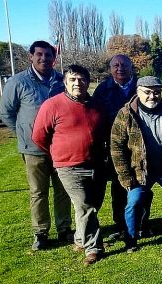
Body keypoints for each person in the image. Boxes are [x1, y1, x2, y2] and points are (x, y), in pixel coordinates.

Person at [0, 40, 71, 251]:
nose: (44, 58)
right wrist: (23, 135)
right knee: (38, 192)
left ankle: (64, 228)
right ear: (31, 57)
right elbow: (6, 113)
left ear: (53, 58)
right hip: (33, 150)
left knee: (62, 190)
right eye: (39, 54)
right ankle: (41, 232)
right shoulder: (18, 81)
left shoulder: (61, 80)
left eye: (48, 55)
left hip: (60, 147)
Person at [32, 64, 107, 265]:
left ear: (88, 82)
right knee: (86, 206)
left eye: (81, 79)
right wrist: (59, 154)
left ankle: (80, 239)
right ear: (65, 82)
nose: (77, 83)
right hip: (69, 167)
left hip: (97, 165)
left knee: (93, 205)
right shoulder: (52, 105)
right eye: (72, 79)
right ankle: (94, 248)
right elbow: (39, 136)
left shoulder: (96, 105)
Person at [110, 76, 162, 252]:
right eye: (147, 92)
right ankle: (131, 239)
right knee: (134, 201)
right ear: (138, 92)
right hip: (140, 171)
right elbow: (116, 147)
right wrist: (125, 176)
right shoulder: (126, 114)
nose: (152, 96)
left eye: (156, 92)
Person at [93, 54, 150, 242]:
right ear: (110, 69)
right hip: (114, 148)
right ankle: (120, 225)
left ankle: (141, 224)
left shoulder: (142, 87)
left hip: (141, 147)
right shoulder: (103, 90)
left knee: (143, 186)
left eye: (124, 65)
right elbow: (96, 118)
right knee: (119, 188)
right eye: (115, 65)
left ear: (131, 67)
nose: (120, 68)